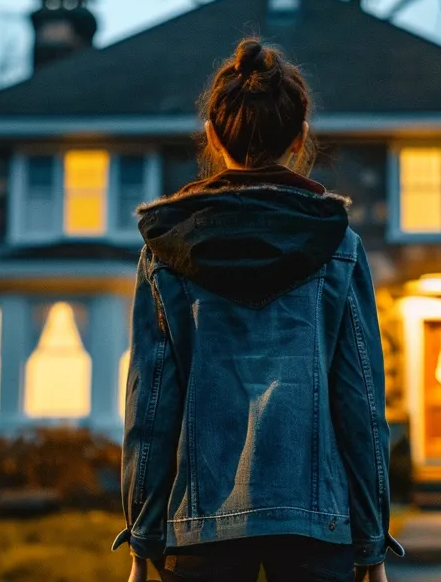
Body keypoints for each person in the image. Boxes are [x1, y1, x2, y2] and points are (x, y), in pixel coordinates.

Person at [112, 37, 403, 582]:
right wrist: (370, 541)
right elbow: (361, 404)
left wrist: (143, 536)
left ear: (214, 136)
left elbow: (149, 408)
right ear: (299, 138)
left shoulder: (167, 251)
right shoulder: (339, 247)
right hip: (316, 529)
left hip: (200, 529)